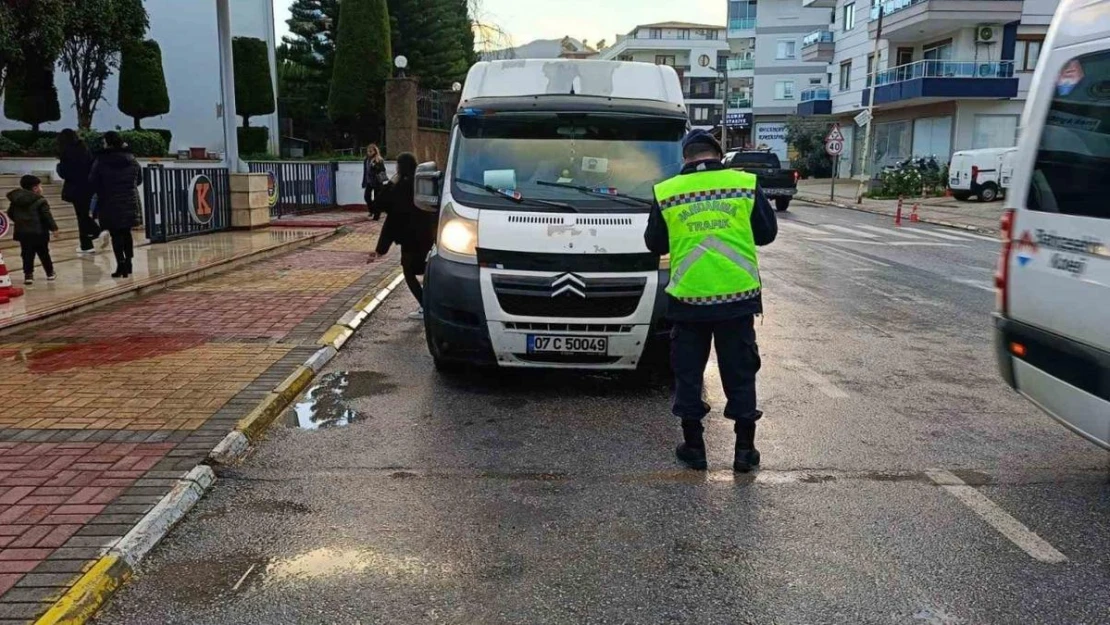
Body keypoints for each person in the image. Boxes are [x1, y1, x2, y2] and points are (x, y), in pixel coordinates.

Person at [644, 129, 778, 473]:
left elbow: (654, 243)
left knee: (688, 376)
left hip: (689, 302)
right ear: (717, 154)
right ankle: (744, 452)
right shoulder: (744, 184)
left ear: (686, 157)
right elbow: (767, 234)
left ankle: (695, 448)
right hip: (736, 300)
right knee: (740, 374)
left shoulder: (667, 190)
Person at [367, 153, 438, 320]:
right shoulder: (423, 184)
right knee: (428, 271)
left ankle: (424, 306)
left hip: (410, 239)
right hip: (428, 235)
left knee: (408, 270)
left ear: (400, 167)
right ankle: (430, 306)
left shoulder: (399, 187)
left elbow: (379, 204)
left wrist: (391, 182)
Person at [88, 131, 142, 278]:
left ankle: (121, 264)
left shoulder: (101, 160)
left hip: (108, 200)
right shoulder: (132, 159)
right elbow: (139, 179)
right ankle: (129, 263)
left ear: (107, 142)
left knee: (115, 234)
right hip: (129, 199)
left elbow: (93, 180)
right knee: (126, 232)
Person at [55, 129, 102, 253]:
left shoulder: (67, 152)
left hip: (75, 188)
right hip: (88, 186)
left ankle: (97, 232)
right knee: (83, 214)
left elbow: (65, 172)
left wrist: (58, 167)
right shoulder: (85, 149)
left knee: (82, 216)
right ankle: (86, 244)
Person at [6, 175, 59, 285]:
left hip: (23, 232)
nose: (41, 188)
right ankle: (50, 273)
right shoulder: (40, 200)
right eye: (40, 186)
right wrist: (54, 228)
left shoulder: (16, 200)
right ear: (35, 188)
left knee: (26, 254)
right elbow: (46, 216)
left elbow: (10, 213)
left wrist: (20, 221)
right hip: (39, 232)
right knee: (44, 253)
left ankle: (28, 275)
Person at [362, 144, 387, 220]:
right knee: (367, 197)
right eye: (368, 151)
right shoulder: (366, 160)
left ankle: (377, 215)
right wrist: (364, 181)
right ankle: (372, 210)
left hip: (377, 182)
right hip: (369, 181)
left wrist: (375, 166)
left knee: (377, 199)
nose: (369, 153)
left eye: (370, 151)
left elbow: (383, 170)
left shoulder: (379, 160)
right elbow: (365, 172)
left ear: (375, 151)